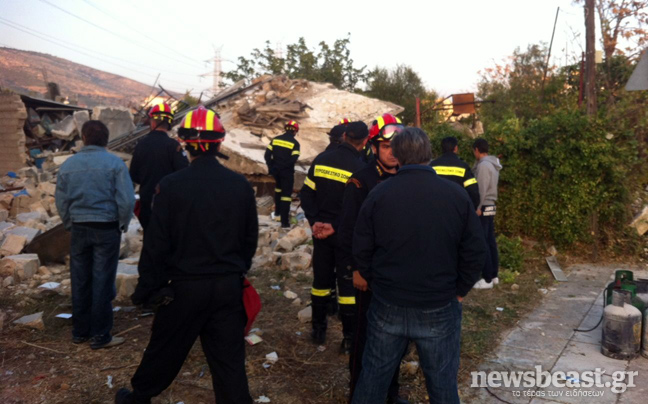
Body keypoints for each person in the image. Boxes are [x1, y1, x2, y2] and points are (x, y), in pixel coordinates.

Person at [118, 106, 258, 404]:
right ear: (219, 143)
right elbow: (249, 240)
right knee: (229, 364)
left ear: (183, 143)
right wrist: (236, 272)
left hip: (184, 290)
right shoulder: (240, 186)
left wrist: (150, 289)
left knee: (164, 351)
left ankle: (138, 398)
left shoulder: (169, 187)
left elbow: (157, 243)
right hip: (226, 288)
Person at [351, 127, 486, 404]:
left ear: (398, 155)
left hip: (389, 304)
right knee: (442, 385)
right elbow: (475, 251)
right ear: (429, 155)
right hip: (438, 305)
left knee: (373, 380)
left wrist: (378, 283)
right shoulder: (456, 196)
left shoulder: (379, 194)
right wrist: (459, 290)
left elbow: (360, 247)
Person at [338, 114, 408, 404]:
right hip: (369, 275)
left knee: (398, 342)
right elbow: (348, 230)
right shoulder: (361, 181)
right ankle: (358, 393)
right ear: (374, 147)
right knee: (365, 339)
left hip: (399, 274)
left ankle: (391, 393)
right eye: (386, 146)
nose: (392, 152)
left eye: (397, 147)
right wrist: (356, 269)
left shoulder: (408, 177)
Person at [55, 120, 135, 349]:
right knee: (102, 280)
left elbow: (61, 200)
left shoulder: (69, 165)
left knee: (80, 279)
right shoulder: (115, 164)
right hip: (106, 228)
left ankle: (80, 332)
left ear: (83, 138)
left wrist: (69, 222)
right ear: (106, 139)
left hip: (79, 227)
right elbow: (127, 199)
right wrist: (123, 223)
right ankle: (100, 335)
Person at [299, 121, 368, 350]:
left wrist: (314, 221)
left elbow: (307, 193)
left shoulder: (321, 159)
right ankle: (348, 338)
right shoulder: (360, 168)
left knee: (320, 282)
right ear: (366, 141)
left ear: (344, 136)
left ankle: (318, 330)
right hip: (345, 235)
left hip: (321, 234)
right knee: (347, 288)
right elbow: (357, 209)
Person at [129, 103, 189, 231]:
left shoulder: (141, 145)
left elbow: (133, 174)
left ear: (152, 121)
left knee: (150, 239)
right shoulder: (174, 146)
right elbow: (185, 173)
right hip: (170, 204)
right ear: (169, 123)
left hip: (147, 201)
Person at [471, 138, 502, 289]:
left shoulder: (483, 166)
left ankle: (487, 278)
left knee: (483, 241)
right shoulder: (493, 164)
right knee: (490, 240)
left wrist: (477, 206)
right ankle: (494, 275)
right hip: (491, 205)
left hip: (483, 206)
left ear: (476, 149)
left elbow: (481, 189)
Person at [264, 120, 301, 228]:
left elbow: (267, 155)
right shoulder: (295, 143)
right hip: (286, 172)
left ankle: (277, 214)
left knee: (278, 191)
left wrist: (272, 167)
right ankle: (284, 222)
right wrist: (283, 167)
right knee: (286, 196)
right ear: (295, 131)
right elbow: (293, 159)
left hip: (276, 171)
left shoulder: (275, 140)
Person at [430, 136, 480, 209]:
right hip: (457, 209)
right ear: (456, 148)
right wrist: (472, 208)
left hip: (437, 209)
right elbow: (473, 191)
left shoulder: (432, 166)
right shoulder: (463, 167)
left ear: (442, 149)